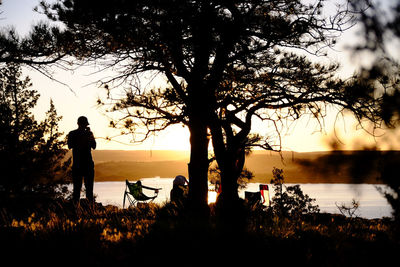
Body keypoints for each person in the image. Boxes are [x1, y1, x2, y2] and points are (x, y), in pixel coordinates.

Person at [67, 116, 96, 204]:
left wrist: (89, 135)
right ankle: (89, 208)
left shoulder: (73, 133)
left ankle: (77, 208)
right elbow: (94, 146)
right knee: (87, 189)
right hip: (85, 165)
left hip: (79, 164)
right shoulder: (84, 134)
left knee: (78, 189)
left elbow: (70, 146)